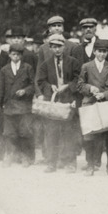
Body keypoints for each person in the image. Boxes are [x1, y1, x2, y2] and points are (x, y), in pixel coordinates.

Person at [35, 33, 83, 172]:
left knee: (69, 133)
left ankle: (70, 162)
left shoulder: (73, 62)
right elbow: (40, 81)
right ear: (50, 48)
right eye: (54, 47)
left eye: (59, 46)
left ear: (64, 47)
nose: (57, 49)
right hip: (54, 102)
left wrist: (68, 86)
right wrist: (50, 86)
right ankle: (52, 163)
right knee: (52, 133)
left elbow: (79, 79)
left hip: (69, 102)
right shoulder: (46, 64)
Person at [76, 38, 108, 175]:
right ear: (94, 52)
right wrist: (90, 88)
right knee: (89, 136)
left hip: (106, 105)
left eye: (104, 52)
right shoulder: (86, 66)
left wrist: (105, 94)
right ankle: (90, 165)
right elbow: (79, 85)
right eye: (99, 51)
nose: (102, 54)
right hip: (90, 103)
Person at [0, 41, 36, 165]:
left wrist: (25, 91)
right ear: (9, 55)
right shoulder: (4, 70)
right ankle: (10, 155)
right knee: (9, 133)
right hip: (9, 106)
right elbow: (0, 87)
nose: (16, 57)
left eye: (18, 54)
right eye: (13, 54)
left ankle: (26, 157)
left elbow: (33, 85)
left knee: (25, 132)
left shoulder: (27, 68)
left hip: (24, 107)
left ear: (21, 55)